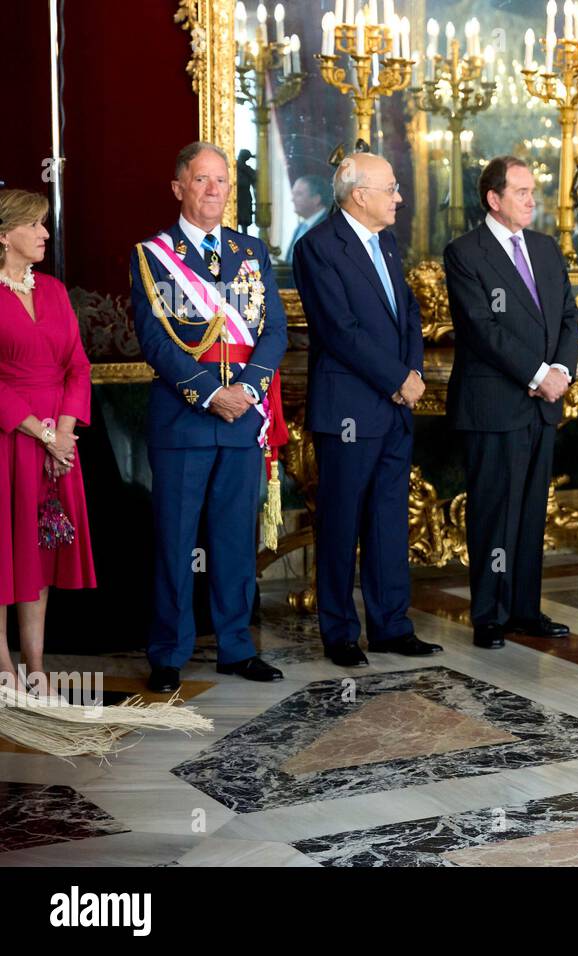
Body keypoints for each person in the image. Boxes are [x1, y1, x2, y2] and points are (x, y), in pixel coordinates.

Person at [128, 142, 287, 693]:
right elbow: (155, 340)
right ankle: (169, 651)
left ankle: (236, 647)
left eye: (221, 180)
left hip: (244, 417)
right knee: (176, 542)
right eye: (201, 180)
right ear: (179, 187)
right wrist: (208, 395)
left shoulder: (251, 252)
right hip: (184, 420)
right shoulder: (154, 255)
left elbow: (275, 331)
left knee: (235, 539)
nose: (214, 189)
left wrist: (245, 390)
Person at [293, 152, 440, 667]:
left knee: (387, 520)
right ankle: (339, 634)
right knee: (340, 522)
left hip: (396, 405)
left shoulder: (389, 242)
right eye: (392, 189)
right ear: (359, 195)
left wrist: (413, 374)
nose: (399, 197)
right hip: (350, 410)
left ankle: (391, 626)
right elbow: (339, 331)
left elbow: (410, 313)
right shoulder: (317, 247)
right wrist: (398, 378)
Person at [442, 156, 578, 649]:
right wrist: (538, 374)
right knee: (494, 512)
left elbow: (567, 314)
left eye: (532, 190)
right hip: (494, 405)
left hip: (542, 407)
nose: (531, 199)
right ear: (493, 199)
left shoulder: (544, 248)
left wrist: (561, 370)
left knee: (529, 512)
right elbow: (482, 328)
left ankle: (525, 609)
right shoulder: (465, 253)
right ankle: (490, 615)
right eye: (521, 191)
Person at [0, 188, 96, 696]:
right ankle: (4, 671)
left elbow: (77, 366)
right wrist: (39, 429)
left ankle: (35, 666)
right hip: (7, 440)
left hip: (56, 446)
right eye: (35, 225)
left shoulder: (56, 291)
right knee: (3, 551)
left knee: (38, 550)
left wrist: (63, 430)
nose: (44, 233)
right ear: (4, 235)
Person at [285, 175, 331, 265]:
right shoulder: (300, 227)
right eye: (293, 194)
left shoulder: (329, 226)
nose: (292, 199)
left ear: (316, 199)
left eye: (298, 194)